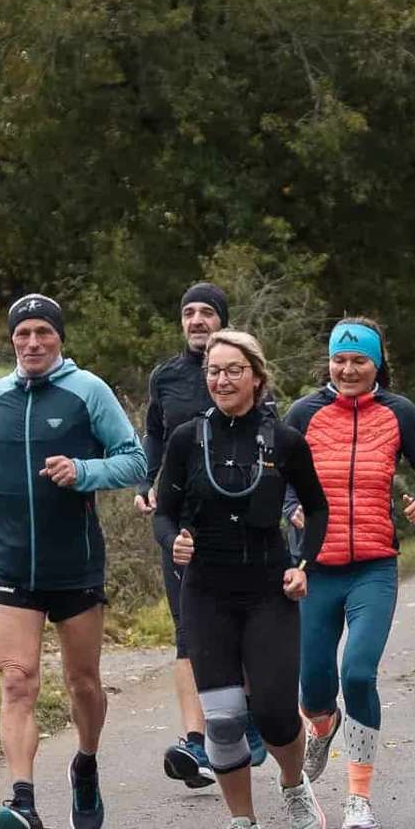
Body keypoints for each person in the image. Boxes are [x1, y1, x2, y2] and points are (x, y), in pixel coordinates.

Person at [0, 293, 147, 829]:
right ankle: (24, 802)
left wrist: (83, 469)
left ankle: (85, 763)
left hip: (75, 562)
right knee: (17, 680)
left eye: (43, 333)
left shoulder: (88, 391)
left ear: (59, 337)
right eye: (22, 334)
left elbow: (135, 459)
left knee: (83, 683)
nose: (33, 343)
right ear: (11, 340)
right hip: (10, 562)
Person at [153, 330, 331, 829]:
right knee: (225, 719)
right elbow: (164, 512)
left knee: (276, 712)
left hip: (268, 590)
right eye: (213, 370)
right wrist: (174, 540)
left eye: (233, 370)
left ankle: (295, 785)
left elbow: (317, 510)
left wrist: (304, 564)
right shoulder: (187, 439)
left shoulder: (284, 441)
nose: (221, 380)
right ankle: (242, 826)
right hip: (206, 591)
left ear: (256, 374)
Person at [283, 318, 415, 829]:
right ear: (328, 361)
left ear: (377, 364)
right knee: (312, 688)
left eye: (359, 360)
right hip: (315, 568)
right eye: (339, 360)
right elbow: (277, 475)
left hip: (374, 566)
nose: (348, 369)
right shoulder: (304, 413)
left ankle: (359, 796)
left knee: (357, 673)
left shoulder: (400, 413)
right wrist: (292, 508)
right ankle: (322, 727)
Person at [136, 282, 266, 786]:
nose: (196, 321)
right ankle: (196, 742)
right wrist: (149, 481)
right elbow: (154, 433)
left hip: (236, 522)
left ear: (223, 322)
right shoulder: (165, 377)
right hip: (179, 522)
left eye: (206, 312)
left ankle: (248, 719)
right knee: (187, 629)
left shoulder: (242, 373)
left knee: (237, 627)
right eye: (188, 312)